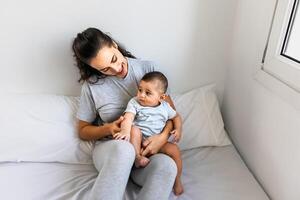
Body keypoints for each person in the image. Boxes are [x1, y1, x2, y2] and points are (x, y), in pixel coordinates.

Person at [72, 27, 177, 200]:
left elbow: (171, 113)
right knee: (124, 150)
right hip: (112, 151)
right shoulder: (91, 86)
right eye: (105, 69)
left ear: (114, 45)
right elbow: (82, 130)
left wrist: (162, 137)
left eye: (114, 59)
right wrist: (109, 128)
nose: (115, 69)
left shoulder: (149, 68)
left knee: (167, 166)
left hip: (144, 155)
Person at [114, 71, 184, 195]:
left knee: (175, 150)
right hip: (138, 141)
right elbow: (128, 118)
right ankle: (137, 157)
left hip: (157, 143)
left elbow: (176, 117)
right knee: (134, 129)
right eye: (140, 90)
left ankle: (177, 180)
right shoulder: (135, 103)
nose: (141, 95)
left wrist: (178, 129)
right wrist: (125, 131)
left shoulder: (165, 107)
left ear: (161, 97)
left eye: (148, 93)